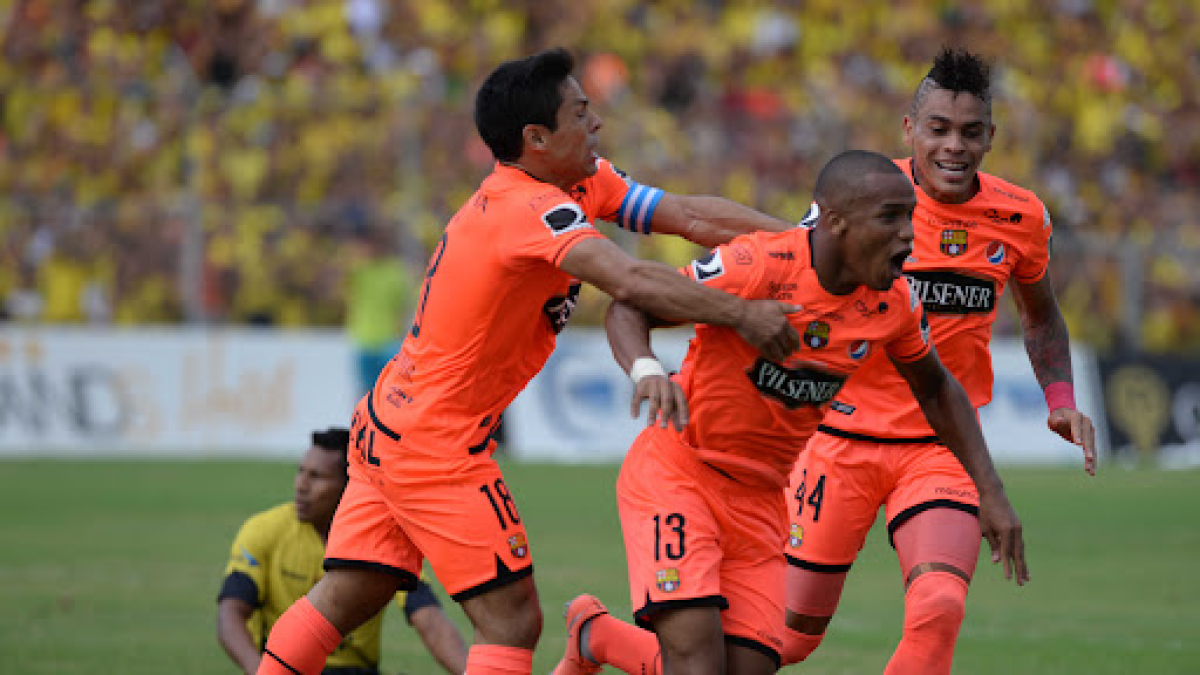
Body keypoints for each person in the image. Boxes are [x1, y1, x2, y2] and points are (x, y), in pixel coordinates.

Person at [254, 47, 803, 675]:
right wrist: (743, 312)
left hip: (389, 423)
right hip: (437, 445)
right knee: (513, 619)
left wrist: (803, 246)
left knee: (353, 592)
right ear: (537, 138)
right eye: (581, 113)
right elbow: (628, 279)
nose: (596, 123)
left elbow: (688, 215)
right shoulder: (526, 209)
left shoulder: (580, 179)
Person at [554, 150, 1026, 675]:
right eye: (890, 218)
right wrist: (647, 370)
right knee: (697, 662)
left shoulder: (894, 304)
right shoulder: (756, 265)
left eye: (909, 219)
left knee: (747, 667)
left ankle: (596, 636)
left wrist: (991, 490)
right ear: (837, 220)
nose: (908, 237)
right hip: (681, 475)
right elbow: (632, 303)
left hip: (760, 501)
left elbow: (937, 388)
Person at [778, 49, 1098, 675]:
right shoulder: (859, 197)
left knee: (941, 603)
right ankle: (598, 636)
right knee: (781, 644)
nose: (955, 146)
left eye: (971, 132)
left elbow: (1042, 316)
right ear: (909, 130)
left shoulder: (1021, 217)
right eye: (939, 129)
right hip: (837, 441)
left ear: (990, 137)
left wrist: (1060, 403)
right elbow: (788, 288)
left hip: (942, 446)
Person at [217, 427, 468, 675]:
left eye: (317, 477)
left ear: (350, 486)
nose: (301, 485)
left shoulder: (381, 537)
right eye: (301, 472)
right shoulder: (264, 530)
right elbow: (230, 615)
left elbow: (429, 620)